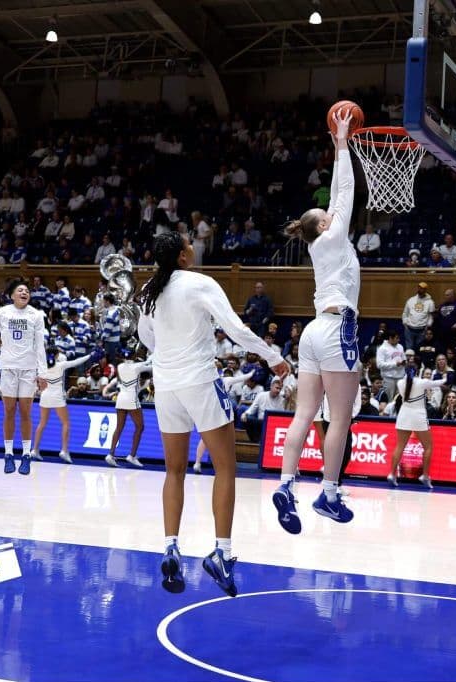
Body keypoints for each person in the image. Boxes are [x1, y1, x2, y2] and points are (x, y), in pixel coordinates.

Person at [136, 230, 288, 597]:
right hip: (200, 382)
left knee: (174, 470)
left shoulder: (148, 293)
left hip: (166, 386)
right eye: (190, 243)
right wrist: (273, 357)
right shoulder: (199, 283)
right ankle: (223, 552)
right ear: (184, 257)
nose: (193, 246)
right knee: (226, 468)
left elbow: (146, 339)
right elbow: (235, 330)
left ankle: (171, 545)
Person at [271, 108, 359, 535]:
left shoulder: (317, 246)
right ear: (321, 224)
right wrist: (340, 142)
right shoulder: (333, 235)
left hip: (310, 332)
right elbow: (345, 190)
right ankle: (328, 493)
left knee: (303, 414)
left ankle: (286, 485)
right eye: (323, 211)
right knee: (339, 418)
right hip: (338, 327)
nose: (329, 211)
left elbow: (337, 199)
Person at [0, 280, 49, 475]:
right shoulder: (3, 312)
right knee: (9, 410)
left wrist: (43, 373)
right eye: (20, 290)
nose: (24, 292)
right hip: (8, 368)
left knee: (25, 412)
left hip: (29, 369)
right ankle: (8, 454)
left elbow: (40, 345)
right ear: (12, 295)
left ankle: (25, 455)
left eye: (27, 290)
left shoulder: (36, 314)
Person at [388, 362, 448, 488]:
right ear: (417, 371)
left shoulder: (400, 383)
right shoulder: (422, 382)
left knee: (400, 446)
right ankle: (425, 476)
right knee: (428, 447)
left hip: (404, 415)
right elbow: (440, 382)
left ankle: (391, 474)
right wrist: (445, 376)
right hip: (418, 416)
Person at [32, 348, 92, 463]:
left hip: (45, 396)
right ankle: (64, 450)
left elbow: (36, 381)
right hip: (57, 397)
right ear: (56, 355)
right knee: (65, 423)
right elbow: (77, 361)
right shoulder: (61, 365)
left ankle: (35, 450)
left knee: (42, 423)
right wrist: (90, 356)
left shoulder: (41, 367)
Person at [192, 369, 253, 473]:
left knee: (208, 439)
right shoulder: (213, 382)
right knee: (215, 439)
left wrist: (251, 373)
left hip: (217, 411)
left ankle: (199, 463)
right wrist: (251, 373)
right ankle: (201, 463)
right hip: (217, 411)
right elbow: (241, 378)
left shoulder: (218, 381)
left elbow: (240, 378)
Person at [102, 348, 152, 467]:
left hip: (120, 398)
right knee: (140, 427)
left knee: (119, 427)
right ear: (133, 356)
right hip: (131, 398)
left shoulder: (119, 366)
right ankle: (132, 455)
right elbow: (150, 365)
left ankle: (110, 454)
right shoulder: (137, 366)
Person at [401, 282, 434, 352]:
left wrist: (428, 326)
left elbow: (431, 316)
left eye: (422, 289)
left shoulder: (430, 302)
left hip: (422, 330)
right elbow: (405, 313)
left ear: (425, 290)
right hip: (409, 329)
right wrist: (405, 323)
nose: (420, 290)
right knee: (409, 349)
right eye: (419, 288)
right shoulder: (411, 300)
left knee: (419, 349)